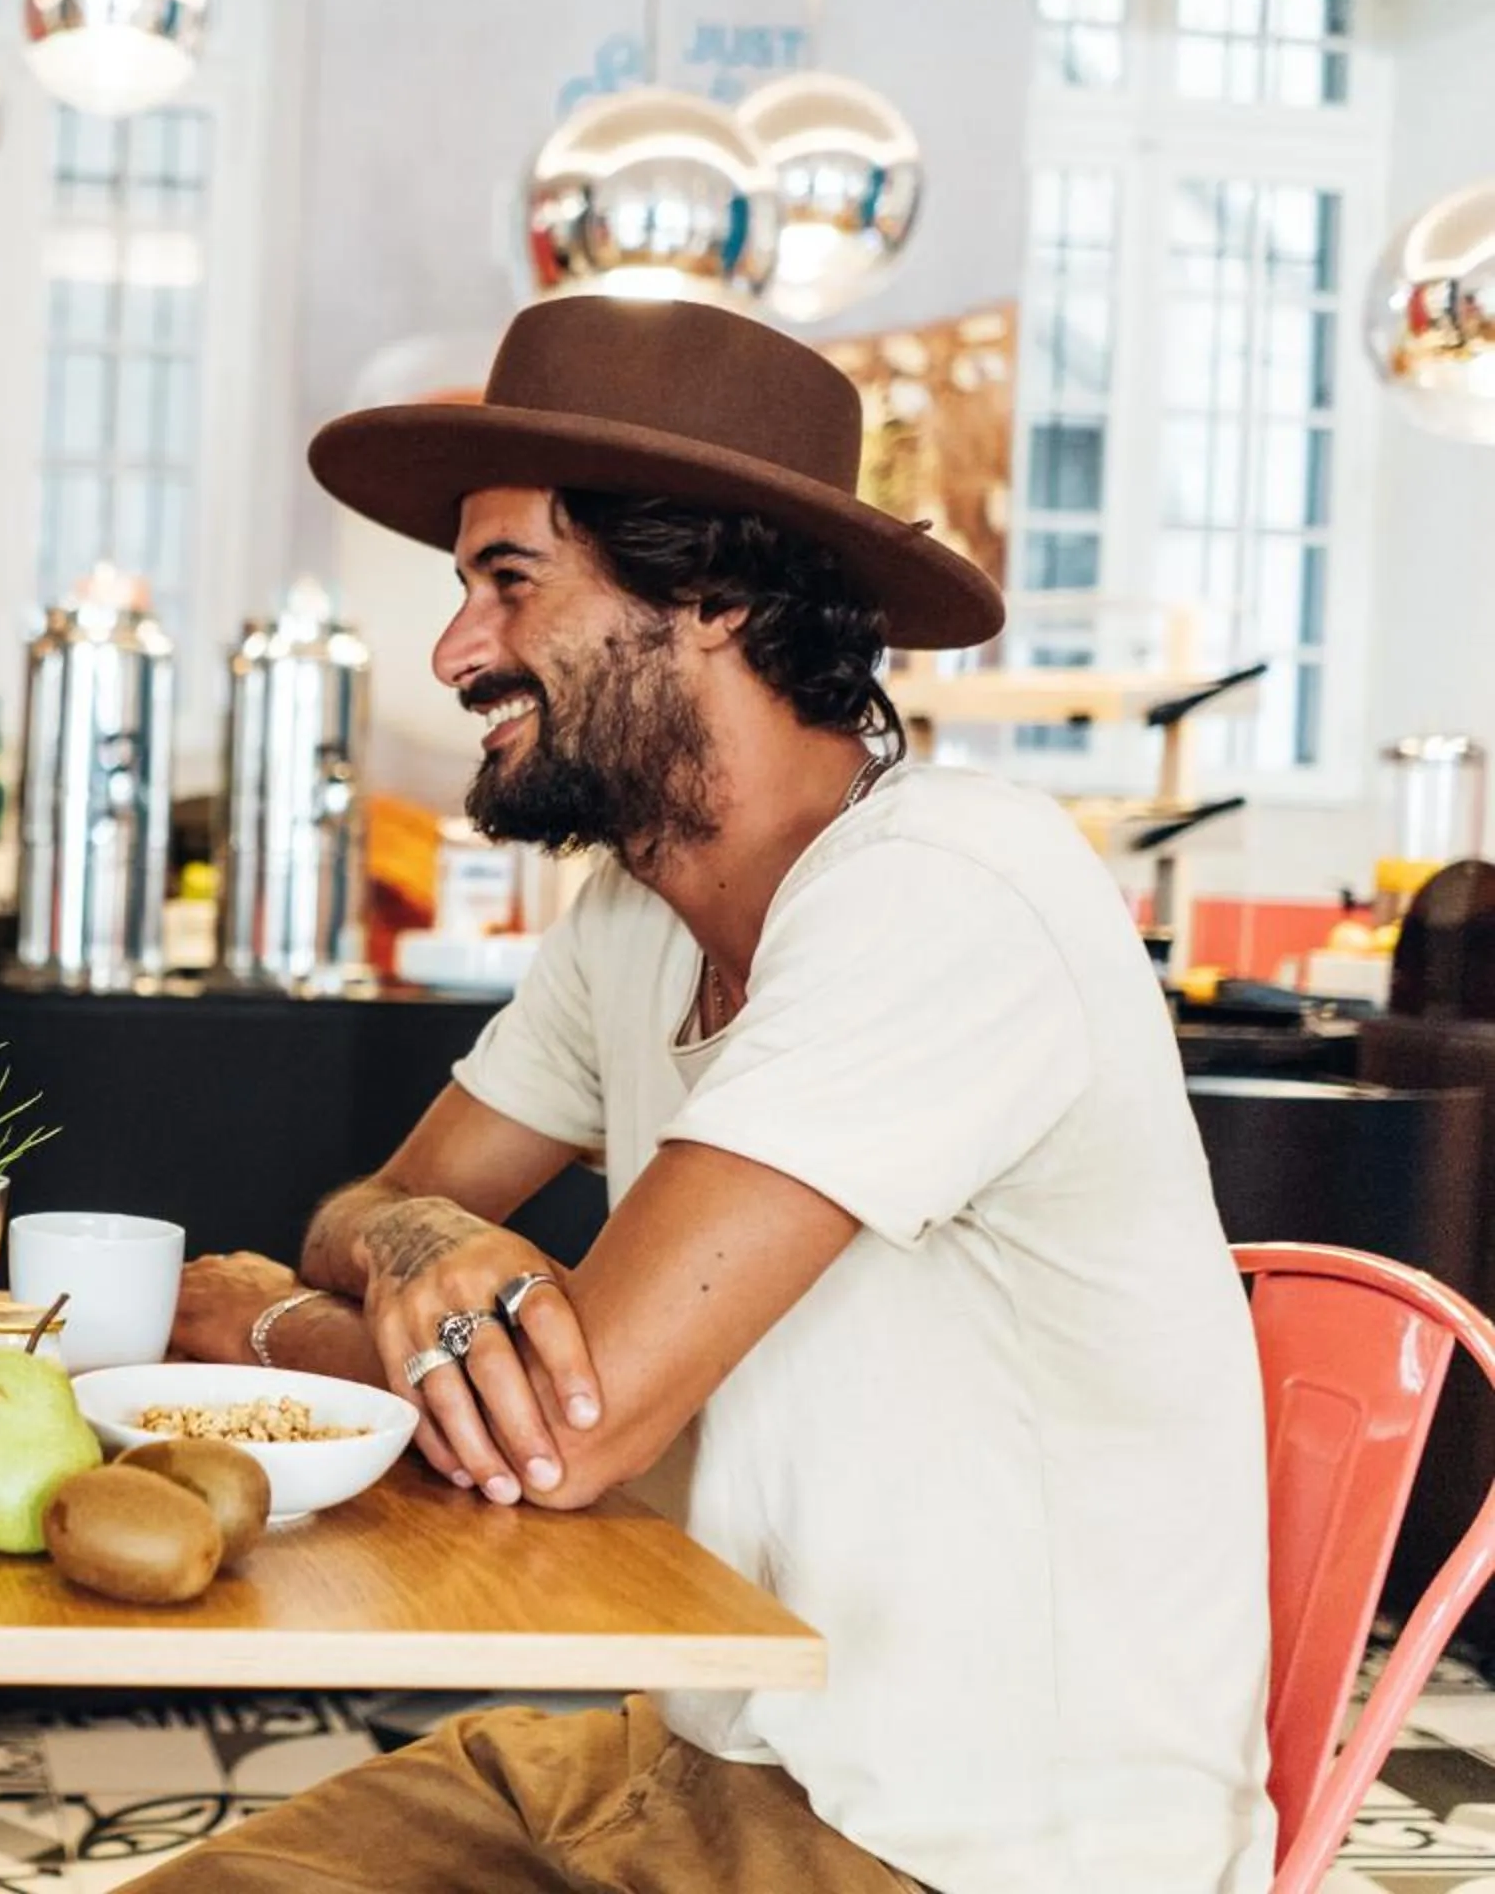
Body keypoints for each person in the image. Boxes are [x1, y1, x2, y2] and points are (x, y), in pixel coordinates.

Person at [149, 297, 1272, 1893]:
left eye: (509, 582)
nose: (457, 650)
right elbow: (373, 1207)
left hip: (966, 1844)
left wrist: (273, 1329)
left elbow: (565, 1430)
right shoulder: (633, 913)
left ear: (719, 593)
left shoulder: (949, 889)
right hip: (689, 1752)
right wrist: (410, 1250)